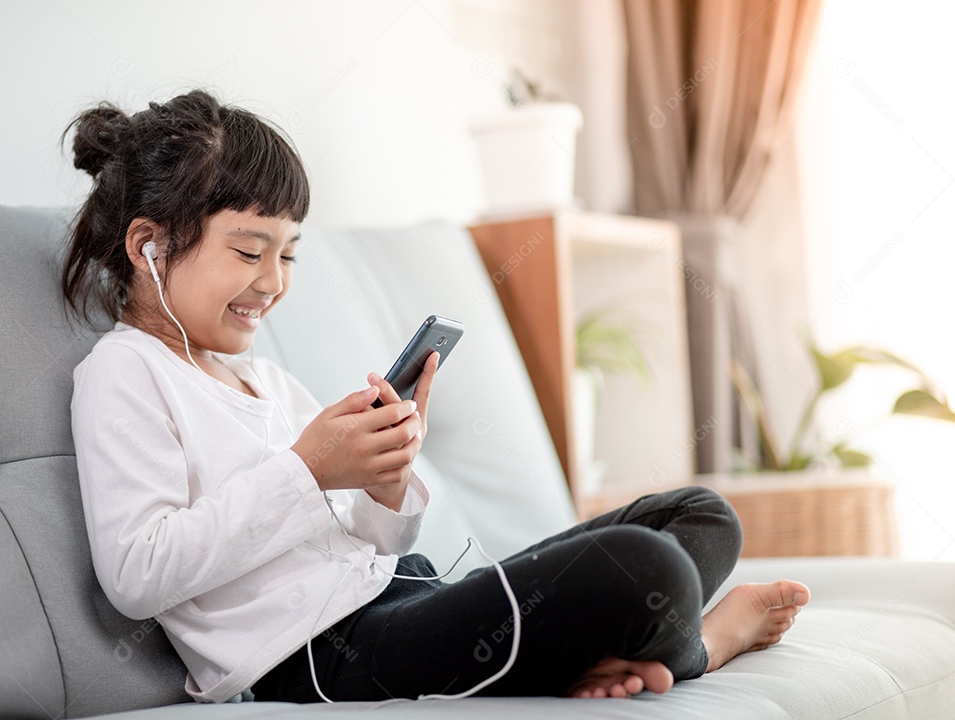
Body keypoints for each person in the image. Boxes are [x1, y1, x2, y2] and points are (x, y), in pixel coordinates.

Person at [63, 89, 810, 705]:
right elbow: (137, 574)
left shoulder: (260, 377)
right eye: (250, 251)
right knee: (650, 568)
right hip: (317, 658)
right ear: (148, 247)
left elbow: (376, 546)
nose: (274, 281)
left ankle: (595, 653)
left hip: (400, 595)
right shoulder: (124, 373)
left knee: (697, 516)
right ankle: (702, 645)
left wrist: (385, 482)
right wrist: (309, 469)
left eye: (288, 254)